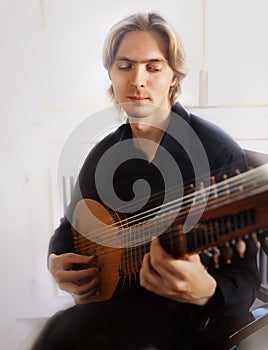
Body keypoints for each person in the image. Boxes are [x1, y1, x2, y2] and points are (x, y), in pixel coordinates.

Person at [32, 12, 260, 350]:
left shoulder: (215, 150)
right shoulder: (104, 154)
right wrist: (56, 261)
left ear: (173, 76)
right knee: (58, 332)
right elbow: (69, 228)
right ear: (110, 72)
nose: (138, 80)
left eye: (153, 67)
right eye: (125, 66)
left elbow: (245, 283)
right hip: (117, 312)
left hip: (189, 327)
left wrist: (208, 291)